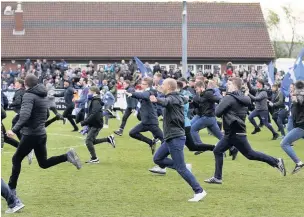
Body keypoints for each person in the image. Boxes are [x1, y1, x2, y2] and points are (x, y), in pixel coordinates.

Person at [6, 74, 82, 198]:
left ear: (25, 84)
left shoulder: (28, 95)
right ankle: (67, 156)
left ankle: (11, 190)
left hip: (31, 135)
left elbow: (24, 115)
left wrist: (14, 130)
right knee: (43, 163)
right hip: (41, 134)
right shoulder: (43, 94)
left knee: (16, 159)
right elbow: (48, 110)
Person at [204, 78, 286, 184]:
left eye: (229, 84)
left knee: (250, 154)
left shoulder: (229, 97)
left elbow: (218, 112)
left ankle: (276, 161)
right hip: (235, 130)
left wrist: (223, 99)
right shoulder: (243, 97)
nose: (227, 85)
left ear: (234, 86)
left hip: (234, 132)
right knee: (217, 150)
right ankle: (217, 177)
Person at [150, 78, 207, 202]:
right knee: (158, 158)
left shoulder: (173, 98)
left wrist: (157, 100)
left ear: (169, 86)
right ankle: (183, 166)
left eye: (163, 84)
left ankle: (199, 191)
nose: (162, 86)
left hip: (176, 137)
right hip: (170, 137)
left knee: (181, 169)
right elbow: (184, 99)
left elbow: (166, 102)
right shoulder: (178, 97)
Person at [125, 77, 163, 155]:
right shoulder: (146, 91)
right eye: (141, 83)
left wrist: (132, 94)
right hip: (145, 122)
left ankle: (166, 156)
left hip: (152, 122)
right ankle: (150, 142)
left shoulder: (150, 92)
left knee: (164, 140)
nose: (141, 85)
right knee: (132, 133)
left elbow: (144, 96)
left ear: (147, 85)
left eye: (143, 84)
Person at [80, 86, 116, 164]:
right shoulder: (94, 100)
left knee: (88, 141)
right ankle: (108, 139)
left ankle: (94, 158)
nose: (88, 93)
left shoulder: (95, 101)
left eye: (89, 92)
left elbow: (94, 114)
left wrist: (85, 122)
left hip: (96, 124)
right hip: (94, 123)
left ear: (94, 93)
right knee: (91, 141)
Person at [280, 80, 304, 174]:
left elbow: (298, 101)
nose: (291, 90)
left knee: (284, 143)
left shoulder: (299, 98)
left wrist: (295, 98)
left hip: (301, 127)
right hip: (299, 125)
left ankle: (298, 162)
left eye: (292, 88)